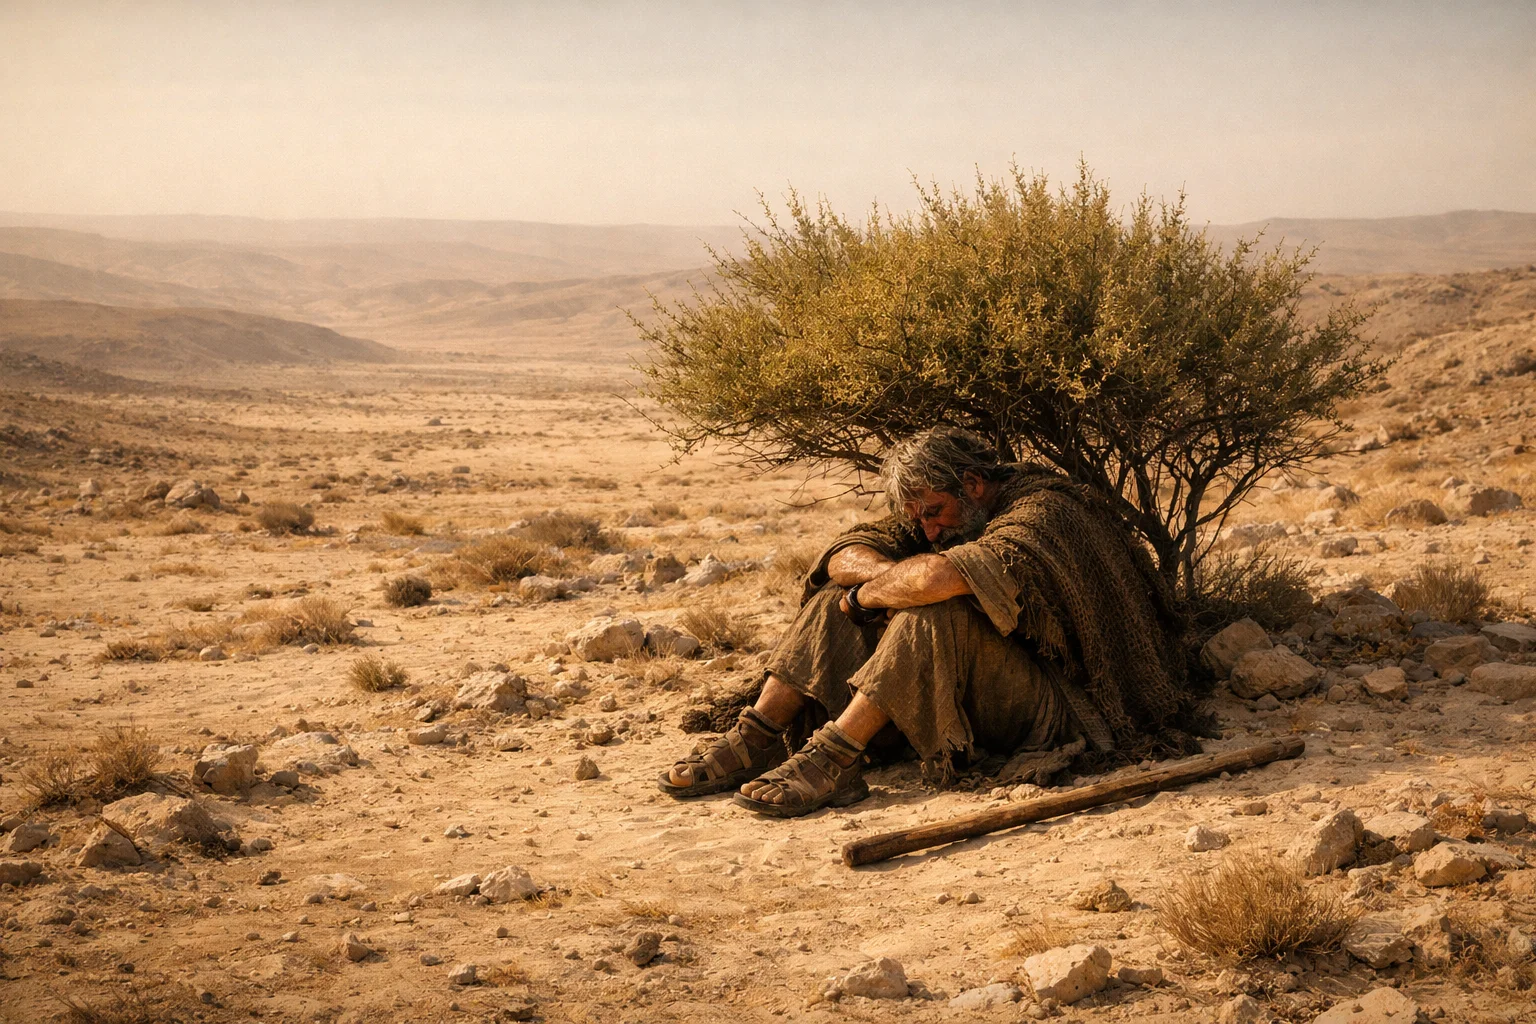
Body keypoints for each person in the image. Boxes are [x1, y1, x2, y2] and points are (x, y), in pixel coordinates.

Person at [658, 427, 1196, 817]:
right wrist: (876, 584)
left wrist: (872, 596)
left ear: (973, 484)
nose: (928, 528)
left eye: (934, 512)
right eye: (916, 519)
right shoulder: (941, 515)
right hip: (984, 688)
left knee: (936, 607)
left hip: (1062, 704)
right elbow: (843, 555)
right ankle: (757, 737)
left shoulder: (1045, 512)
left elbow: (940, 580)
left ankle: (838, 756)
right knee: (831, 599)